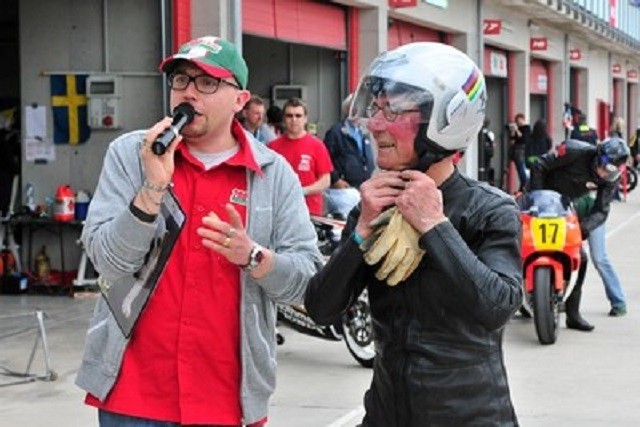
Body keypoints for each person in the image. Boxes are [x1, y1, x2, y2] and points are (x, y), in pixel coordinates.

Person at [75, 36, 324, 427]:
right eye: (180, 80)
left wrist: (253, 256)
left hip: (227, 400)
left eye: (207, 82)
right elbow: (108, 261)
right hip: (132, 397)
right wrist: (152, 189)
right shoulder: (132, 155)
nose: (188, 93)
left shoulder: (273, 175)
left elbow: (307, 279)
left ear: (240, 100)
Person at [305, 42, 523, 425]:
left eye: (392, 111)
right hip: (386, 414)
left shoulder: (490, 209)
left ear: (446, 120)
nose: (375, 124)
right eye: (375, 109)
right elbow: (322, 308)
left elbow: (496, 308)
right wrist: (360, 233)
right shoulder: (373, 204)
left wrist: (435, 226)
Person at [529, 137, 630, 330]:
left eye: (612, 171)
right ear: (599, 156)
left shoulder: (610, 180)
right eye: (605, 167)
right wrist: (536, 197)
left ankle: (573, 313)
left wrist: (583, 228)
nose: (604, 173)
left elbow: (601, 210)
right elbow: (540, 165)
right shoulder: (575, 151)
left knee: (580, 258)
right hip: (539, 200)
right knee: (518, 243)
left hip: (566, 209)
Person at [268, 98, 333, 216]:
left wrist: (303, 191)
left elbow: (325, 181)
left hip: (310, 212)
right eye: (289, 115)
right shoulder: (272, 147)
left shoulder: (317, 145)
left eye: (298, 116)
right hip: (280, 211)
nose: (294, 120)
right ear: (283, 118)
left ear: (305, 119)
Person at [323, 93, 375, 218]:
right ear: (349, 109)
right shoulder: (336, 131)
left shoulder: (363, 132)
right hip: (344, 191)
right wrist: (335, 180)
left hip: (361, 188)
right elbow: (325, 158)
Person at [508, 113, 531, 191]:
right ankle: (522, 187)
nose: (517, 122)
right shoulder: (518, 128)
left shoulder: (526, 128)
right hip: (516, 151)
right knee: (519, 170)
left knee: (522, 170)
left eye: (518, 120)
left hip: (522, 151)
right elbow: (512, 140)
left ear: (522, 119)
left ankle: (524, 187)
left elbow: (523, 138)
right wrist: (512, 131)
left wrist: (517, 130)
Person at [479, 117, 495, 185]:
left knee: (486, 167)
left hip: (486, 153)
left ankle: (485, 181)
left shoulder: (488, 133)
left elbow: (492, 144)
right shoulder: (490, 133)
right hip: (486, 153)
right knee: (486, 167)